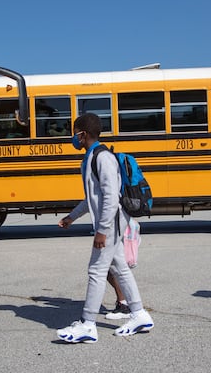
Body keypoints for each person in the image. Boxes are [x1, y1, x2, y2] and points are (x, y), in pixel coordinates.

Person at [56, 113, 154, 343]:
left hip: (110, 223)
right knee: (120, 268)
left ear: (83, 134)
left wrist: (102, 229)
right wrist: (71, 217)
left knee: (96, 271)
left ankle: (88, 325)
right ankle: (138, 314)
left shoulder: (102, 158)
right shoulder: (91, 157)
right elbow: (93, 199)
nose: (73, 137)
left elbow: (111, 197)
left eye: (75, 133)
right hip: (109, 222)